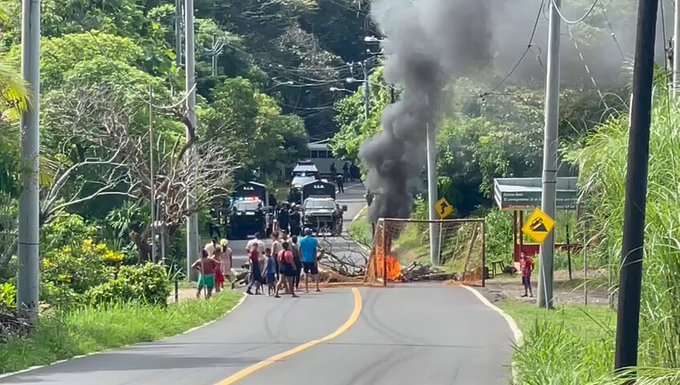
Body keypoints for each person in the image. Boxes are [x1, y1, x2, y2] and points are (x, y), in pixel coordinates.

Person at [299, 228, 320, 293]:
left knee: (306, 274)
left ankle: (306, 289)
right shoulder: (314, 240)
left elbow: (300, 250)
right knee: (316, 273)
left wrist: (301, 258)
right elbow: (317, 249)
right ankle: (317, 287)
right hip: (313, 259)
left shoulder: (301, 240)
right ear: (311, 233)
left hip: (305, 259)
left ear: (305, 233)